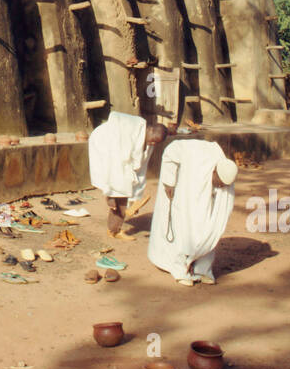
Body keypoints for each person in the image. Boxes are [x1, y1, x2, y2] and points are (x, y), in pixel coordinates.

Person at [147, 138, 237, 286]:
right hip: (185, 194)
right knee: (185, 229)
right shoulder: (195, 153)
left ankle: (203, 270)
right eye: (218, 182)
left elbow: (222, 211)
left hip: (206, 201)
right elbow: (170, 151)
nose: (220, 187)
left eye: (223, 185)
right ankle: (180, 269)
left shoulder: (226, 170)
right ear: (213, 171)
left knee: (209, 229)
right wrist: (169, 181)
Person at [86, 112, 168, 241]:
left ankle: (114, 228)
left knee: (123, 192)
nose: (152, 144)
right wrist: (111, 193)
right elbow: (114, 165)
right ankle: (114, 229)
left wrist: (134, 198)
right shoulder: (129, 132)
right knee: (119, 193)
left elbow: (139, 168)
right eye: (152, 140)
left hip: (119, 159)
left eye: (155, 143)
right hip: (104, 145)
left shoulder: (148, 141)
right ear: (150, 129)